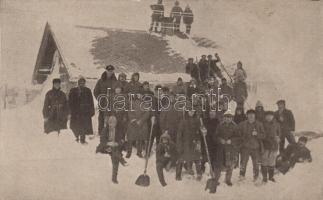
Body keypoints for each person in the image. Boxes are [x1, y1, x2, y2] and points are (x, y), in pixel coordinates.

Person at [96, 116, 127, 184]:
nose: (112, 125)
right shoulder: (105, 130)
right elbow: (102, 141)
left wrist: (117, 143)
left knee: (114, 156)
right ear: (108, 123)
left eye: (114, 123)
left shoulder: (119, 130)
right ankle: (121, 159)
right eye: (111, 123)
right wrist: (108, 143)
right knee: (114, 151)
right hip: (105, 147)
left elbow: (122, 140)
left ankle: (114, 178)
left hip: (114, 148)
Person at [212, 111, 240, 187]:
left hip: (231, 149)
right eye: (226, 117)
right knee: (218, 164)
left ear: (232, 118)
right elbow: (215, 136)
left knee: (230, 165)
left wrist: (231, 140)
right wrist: (220, 140)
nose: (227, 119)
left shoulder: (235, 126)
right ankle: (216, 179)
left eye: (229, 117)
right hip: (221, 148)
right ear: (224, 118)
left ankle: (228, 180)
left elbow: (238, 137)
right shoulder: (220, 125)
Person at [176, 106, 203, 181]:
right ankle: (178, 175)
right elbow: (179, 135)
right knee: (181, 158)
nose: (191, 112)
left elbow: (201, 132)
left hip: (195, 142)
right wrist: (179, 145)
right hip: (186, 143)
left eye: (193, 111)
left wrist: (203, 131)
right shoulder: (183, 121)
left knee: (197, 158)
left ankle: (199, 174)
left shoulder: (197, 121)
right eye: (190, 111)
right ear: (187, 112)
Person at [238, 109, 265, 181]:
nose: (251, 116)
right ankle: (241, 175)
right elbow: (238, 134)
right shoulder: (242, 124)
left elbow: (263, 135)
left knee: (256, 164)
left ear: (255, 115)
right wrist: (243, 137)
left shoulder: (259, 124)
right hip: (245, 147)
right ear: (247, 116)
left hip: (255, 147)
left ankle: (256, 177)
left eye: (252, 114)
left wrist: (257, 134)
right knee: (243, 163)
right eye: (249, 114)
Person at [68, 77, 95, 144]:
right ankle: (76, 138)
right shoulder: (73, 90)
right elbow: (70, 101)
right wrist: (70, 111)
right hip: (75, 112)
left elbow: (91, 101)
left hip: (85, 112)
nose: (82, 84)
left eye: (83, 83)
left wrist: (92, 110)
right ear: (78, 83)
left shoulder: (88, 90)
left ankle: (82, 140)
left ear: (84, 83)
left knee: (83, 126)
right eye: (80, 82)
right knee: (75, 126)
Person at [93, 65, 118, 134]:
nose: (110, 72)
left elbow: (118, 91)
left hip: (112, 103)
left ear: (113, 71)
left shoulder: (115, 81)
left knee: (111, 117)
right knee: (101, 117)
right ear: (106, 71)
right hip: (103, 102)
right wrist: (100, 99)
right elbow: (95, 91)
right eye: (108, 71)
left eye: (111, 71)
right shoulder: (101, 81)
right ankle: (101, 132)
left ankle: (109, 133)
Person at [125, 93, 151, 158]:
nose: (140, 96)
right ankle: (129, 151)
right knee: (130, 137)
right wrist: (134, 120)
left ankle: (139, 152)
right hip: (133, 122)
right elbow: (130, 112)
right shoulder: (132, 103)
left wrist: (141, 120)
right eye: (138, 95)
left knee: (140, 137)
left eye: (141, 95)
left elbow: (147, 113)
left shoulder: (146, 104)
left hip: (142, 123)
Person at [261, 111, 280, 183]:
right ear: (265, 117)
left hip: (274, 145)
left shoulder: (277, 124)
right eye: (267, 116)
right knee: (264, 160)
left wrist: (278, 138)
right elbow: (261, 134)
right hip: (265, 144)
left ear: (273, 117)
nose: (269, 117)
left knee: (272, 160)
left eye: (270, 116)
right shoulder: (262, 124)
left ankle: (271, 177)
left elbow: (279, 134)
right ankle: (264, 177)